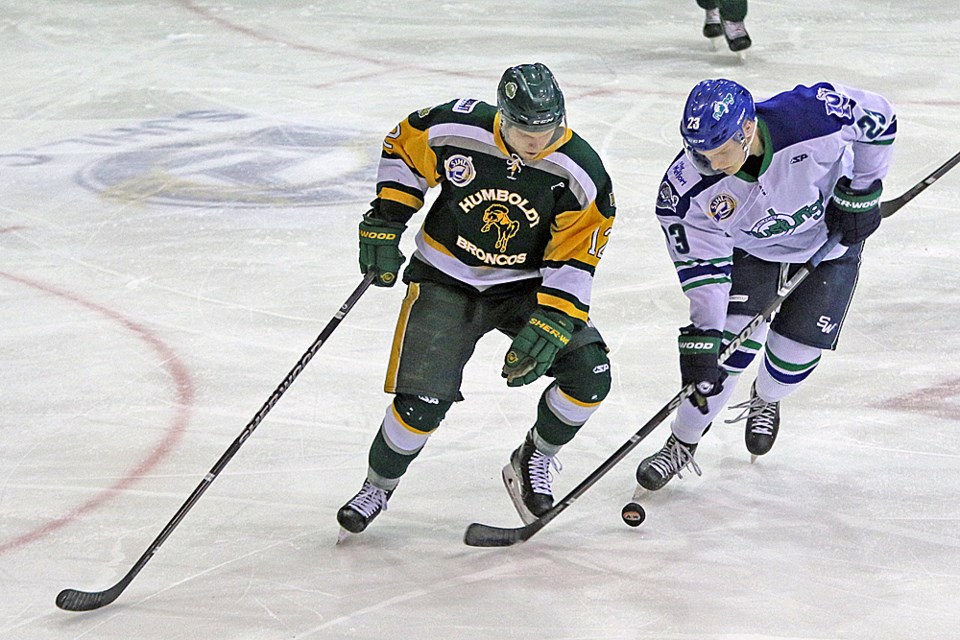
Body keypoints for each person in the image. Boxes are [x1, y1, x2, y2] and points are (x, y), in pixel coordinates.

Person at [337, 63, 617, 535]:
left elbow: (577, 252)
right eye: (526, 129)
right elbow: (405, 147)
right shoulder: (457, 127)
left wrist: (556, 315)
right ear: (502, 116)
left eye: (547, 127)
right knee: (421, 404)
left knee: (589, 375)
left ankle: (535, 457)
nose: (537, 139)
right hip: (445, 277)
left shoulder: (580, 170)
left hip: (524, 287)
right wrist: (387, 217)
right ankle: (378, 487)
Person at [637, 78, 895, 491]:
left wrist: (863, 192)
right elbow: (704, 265)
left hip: (829, 239)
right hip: (750, 252)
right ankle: (681, 444)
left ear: (748, 129)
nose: (713, 163)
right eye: (701, 154)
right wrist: (705, 332)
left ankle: (767, 398)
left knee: (794, 359)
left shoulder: (811, 115)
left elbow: (879, 118)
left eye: (721, 151)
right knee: (723, 358)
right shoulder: (686, 190)